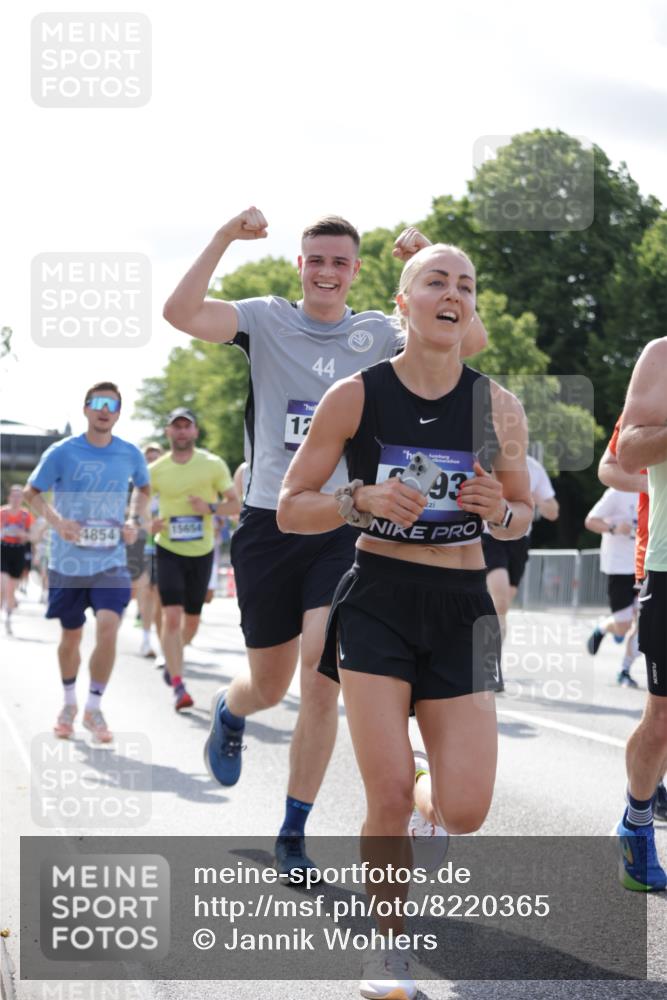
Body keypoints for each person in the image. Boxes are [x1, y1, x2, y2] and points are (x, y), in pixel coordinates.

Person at [163, 208, 489, 879]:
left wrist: (433, 264)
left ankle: (293, 831)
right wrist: (224, 237)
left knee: (319, 672)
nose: (327, 272)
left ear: (357, 272)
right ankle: (231, 708)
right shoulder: (263, 319)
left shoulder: (377, 331)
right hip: (271, 521)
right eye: (316, 259)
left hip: (346, 522)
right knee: (268, 681)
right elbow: (180, 312)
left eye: (340, 262)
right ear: (300, 265)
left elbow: (469, 342)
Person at [278, 243, 533, 998]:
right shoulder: (354, 397)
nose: (451, 293)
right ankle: (388, 952)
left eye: (465, 284)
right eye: (435, 280)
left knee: (466, 810)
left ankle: (425, 789)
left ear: (470, 307)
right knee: (383, 794)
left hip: (461, 608)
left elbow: (520, 520)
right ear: (403, 301)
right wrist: (359, 500)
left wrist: (501, 510)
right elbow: (291, 508)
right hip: (378, 601)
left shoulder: (498, 406)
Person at [23, 383, 150, 744]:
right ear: (86, 409)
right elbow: (32, 493)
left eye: (112, 404)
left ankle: (94, 708)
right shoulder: (62, 451)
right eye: (98, 403)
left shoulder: (129, 453)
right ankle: (68, 704)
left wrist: (133, 521)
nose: (104, 410)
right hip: (68, 563)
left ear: (119, 412)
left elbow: (144, 489)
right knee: (71, 635)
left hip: (111, 561)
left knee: (109, 628)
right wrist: (58, 522)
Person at [614, 336, 667, 892]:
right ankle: (636, 823)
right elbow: (627, 452)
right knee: (663, 719)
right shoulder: (662, 356)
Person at [149, 408, 239, 710]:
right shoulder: (157, 469)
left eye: (187, 427)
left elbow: (235, 506)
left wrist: (209, 507)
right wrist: (149, 523)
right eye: (177, 427)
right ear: (168, 432)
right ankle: (178, 684)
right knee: (171, 616)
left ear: (195, 432)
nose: (182, 432)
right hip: (168, 548)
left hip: (201, 552)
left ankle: (173, 657)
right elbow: (140, 506)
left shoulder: (212, 465)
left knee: (191, 622)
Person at [599, 415, 667, 811]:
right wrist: (651, 480)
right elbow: (609, 466)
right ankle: (642, 802)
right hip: (655, 556)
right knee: (660, 710)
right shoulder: (651, 400)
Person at [482, 453, 558, 688]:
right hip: (490, 535)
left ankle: (492, 659)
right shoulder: (488, 460)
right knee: (501, 600)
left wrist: (536, 500)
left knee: (501, 609)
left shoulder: (534, 468)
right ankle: (489, 666)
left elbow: (553, 511)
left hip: (519, 541)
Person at [584, 486, 639, 667]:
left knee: (646, 622)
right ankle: (603, 627)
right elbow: (590, 521)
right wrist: (615, 527)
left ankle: (625, 669)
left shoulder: (654, 489)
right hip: (619, 567)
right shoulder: (617, 492)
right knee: (623, 626)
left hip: (646, 566)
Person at [135, 442, 164, 657]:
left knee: (161, 595)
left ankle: (163, 641)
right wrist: (147, 525)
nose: (152, 461)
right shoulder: (139, 487)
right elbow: (132, 516)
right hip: (144, 545)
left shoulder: (169, 482)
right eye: (149, 458)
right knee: (146, 591)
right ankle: (146, 639)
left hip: (167, 545)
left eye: (156, 457)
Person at [1, 484, 35, 634]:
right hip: (3, 549)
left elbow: (33, 537)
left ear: (22, 499)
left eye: (19, 496)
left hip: (18, 552)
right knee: (2, 583)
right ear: (9, 497)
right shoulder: (2, 513)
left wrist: (24, 535)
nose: (15, 499)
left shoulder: (26, 516)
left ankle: (8, 617)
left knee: (11, 589)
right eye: (13, 496)